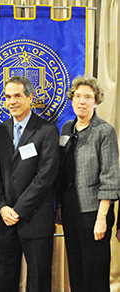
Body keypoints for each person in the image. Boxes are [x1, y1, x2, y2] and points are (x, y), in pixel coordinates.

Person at [0, 76, 60, 292]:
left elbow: (45, 177)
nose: (12, 101)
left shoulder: (47, 130)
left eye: (17, 96)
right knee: (4, 278)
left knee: (39, 280)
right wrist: (2, 206)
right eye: (8, 97)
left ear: (30, 98)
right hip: (5, 220)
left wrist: (18, 210)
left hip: (35, 218)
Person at [56, 75, 120, 292]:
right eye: (77, 97)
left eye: (88, 97)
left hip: (94, 210)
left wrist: (102, 218)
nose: (82, 101)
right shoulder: (66, 128)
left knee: (95, 269)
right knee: (75, 266)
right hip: (71, 207)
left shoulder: (104, 131)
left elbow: (110, 177)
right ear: (71, 100)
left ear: (96, 102)